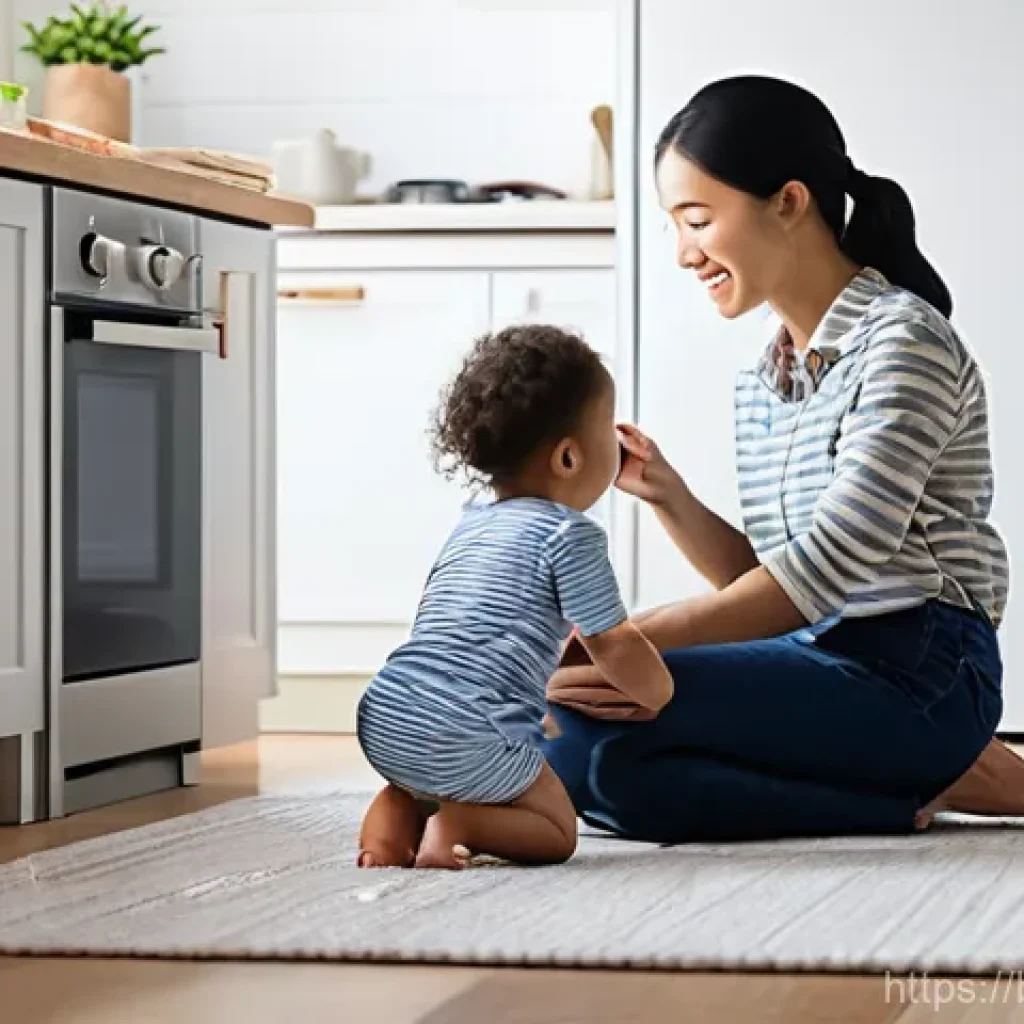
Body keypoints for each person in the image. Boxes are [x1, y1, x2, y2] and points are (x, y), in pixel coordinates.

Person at [542, 74, 1024, 844]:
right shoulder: (765, 381)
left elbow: (826, 569)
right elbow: (774, 583)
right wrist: (669, 496)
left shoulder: (904, 342)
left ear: (789, 202)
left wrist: (629, 639)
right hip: (818, 653)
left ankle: (938, 760)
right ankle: (903, 792)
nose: (684, 254)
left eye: (697, 220)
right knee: (585, 746)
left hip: (923, 673)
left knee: (580, 710)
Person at [356, 325, 673, 869]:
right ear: (569, 459)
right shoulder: (570, 535)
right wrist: (659, 689)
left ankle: (386, 836)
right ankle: (460, 825)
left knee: (421, 775)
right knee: (556, 827)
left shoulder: (471, 525)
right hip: (463, 731)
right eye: (607, 427)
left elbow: (452, 633)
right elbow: (612, 641)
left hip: (387, 712)